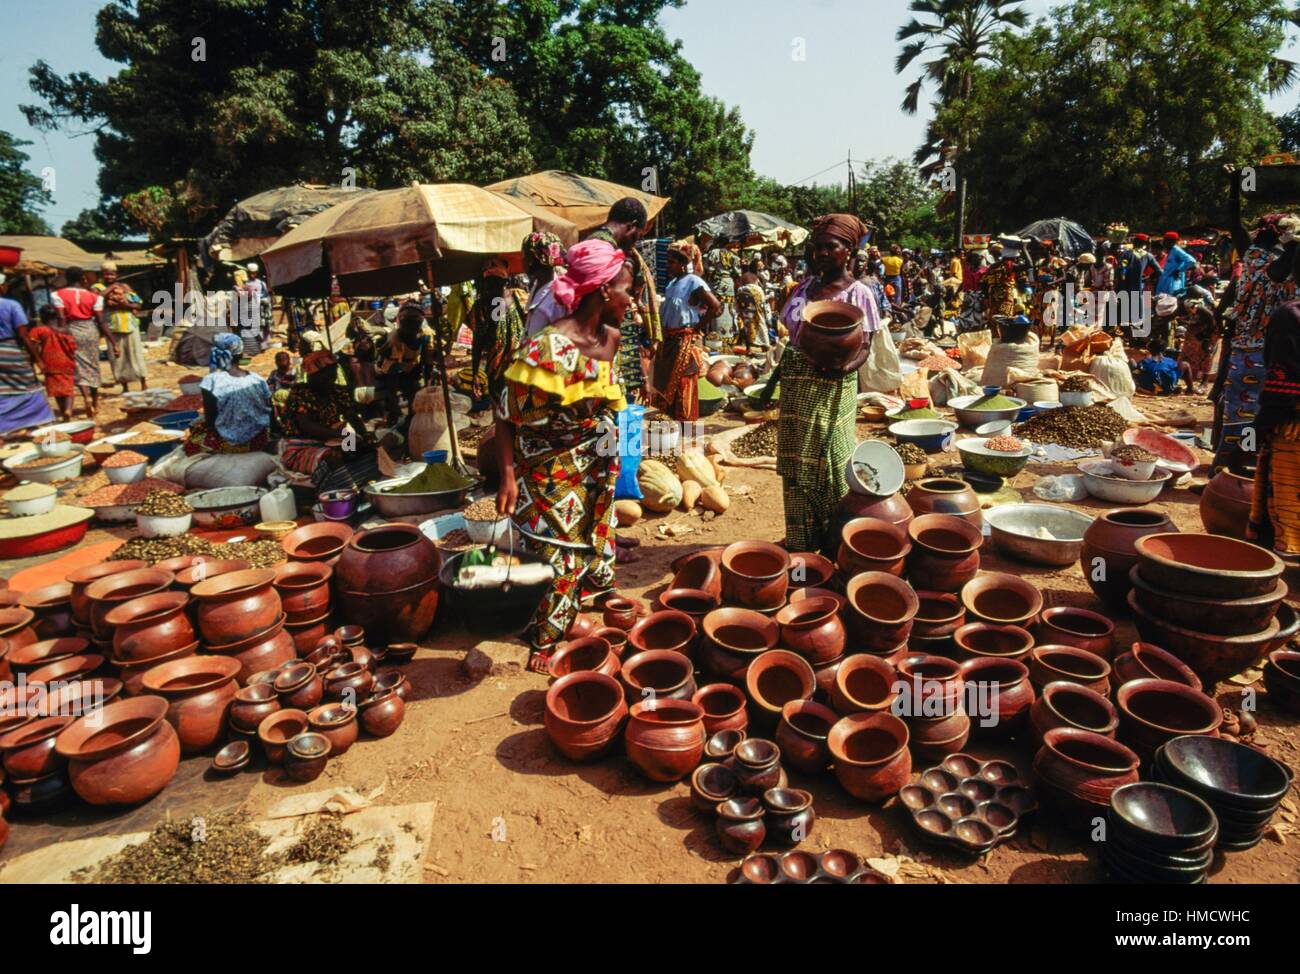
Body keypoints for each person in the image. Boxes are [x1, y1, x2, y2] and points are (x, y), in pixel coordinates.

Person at [493, 238, 632, 672]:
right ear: (604, 289)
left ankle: (576, 609)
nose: (634, 301)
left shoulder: (612, 338)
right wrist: (508, 477)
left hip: (595, 458)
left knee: (594, 536)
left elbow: (609, 404)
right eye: (629, 289)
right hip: (546, 464)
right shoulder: (546, 348)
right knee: (556, 551)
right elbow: (504, 413)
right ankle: (546, 635)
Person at [766, 214, 877, 553]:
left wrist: (843, 369)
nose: (822, 254)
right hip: (797, 383)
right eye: (817, 248)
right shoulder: (803, 289)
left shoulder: (859, 293)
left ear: (849, 251)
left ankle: (833, 542)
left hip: (834, 384)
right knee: (796, 462)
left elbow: (866, 346)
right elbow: (792, 338)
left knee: (830, 459)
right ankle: (801, 540)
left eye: (831, 247)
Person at [589, 198, 660, 400]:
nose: (637, 241)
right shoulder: (607, 253)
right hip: (600, 360)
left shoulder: (592, 245)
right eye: (638, 235)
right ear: (632, 226)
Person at [281, 350, 380, 490]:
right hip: (302, 445)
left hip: (332, 439)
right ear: (313, 376)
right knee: (332, 458)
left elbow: (351, 416)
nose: (331, 380)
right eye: (326, 376)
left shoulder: (336, 392)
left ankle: (363, 481)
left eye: (333, 375)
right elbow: (307, 426)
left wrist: (364, 435)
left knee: (363, 448)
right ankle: (347, 489)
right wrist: (341, 435)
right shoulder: (301, 394)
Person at [654, 242, 721, 423]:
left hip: (685, 340)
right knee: (668, 381)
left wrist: (697, 329)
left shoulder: (694, 282)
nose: (668, 266)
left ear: (683, 263)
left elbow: (715, 307)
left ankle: (687, 424)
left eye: (672, 262)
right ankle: (672, 421)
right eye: (667, 262)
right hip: (670, 340)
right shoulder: (671, 284)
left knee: (685, 380)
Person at [182, 333, 272, 455]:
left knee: (192, 440)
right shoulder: (258, 379)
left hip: (230, 443)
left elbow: (211, 420)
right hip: (259, 439)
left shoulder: (211, 381)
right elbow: (269, 408)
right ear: (240, 355)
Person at [52, 266, 117, 417]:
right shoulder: (95, 297)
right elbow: (101, 321)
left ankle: (86, 397)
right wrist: (113, 342)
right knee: (92, 365)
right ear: (83, 279)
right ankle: (94, 402)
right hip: (90, 330)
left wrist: (62, 336)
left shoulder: (58, 295)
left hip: (71, 329)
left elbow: (61, 318)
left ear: (66, 279)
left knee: (77, 367)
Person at [0, 273, 55, 434]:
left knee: (3, 390)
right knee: (29, 386)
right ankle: (40, 428)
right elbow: (24, 335)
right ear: (2, 287)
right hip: (11, 351)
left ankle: (3, 431)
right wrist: (39, 360)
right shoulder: (12, 305)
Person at [470, 256, 529, 406]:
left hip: (520, 364)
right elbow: (477, 341)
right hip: (495, 370)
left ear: (504, 282)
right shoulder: (480, 306)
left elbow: (531, 326)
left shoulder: (518, 297)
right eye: (488, 283)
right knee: (502, 408)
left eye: (495, 282)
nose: (490, 287)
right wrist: (475, 373)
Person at [374, 303, 434, 424]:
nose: (411, 329)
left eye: (414, 325)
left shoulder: (425, 335)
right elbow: (392, 363)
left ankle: (411, 416)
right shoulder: (394, 338)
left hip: (411, 364)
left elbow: (427, 359)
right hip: (394, 366)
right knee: (392, 391)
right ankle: (394, 414)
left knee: (413, 390)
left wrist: (427, 378)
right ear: (402, 324)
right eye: (408, 325)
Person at [93, 261, 147, 393]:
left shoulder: (125, 286)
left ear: (116, 274)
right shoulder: (97, 287)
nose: (110, 277)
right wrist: (111, 289)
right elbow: (96, 300)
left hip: (130, 324)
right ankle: (124, 385)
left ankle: (143, 382)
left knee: (135, 354)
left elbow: (138, 304)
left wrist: (125, 306)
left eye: (112, 274)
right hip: (112, 326)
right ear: (102, 275)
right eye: (106, 274)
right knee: (118, 357)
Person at [26, 305, 78, 421]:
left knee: (57, 390)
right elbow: (73, 347)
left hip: (50, 363)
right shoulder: (66, 330)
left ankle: (62, 410)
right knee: (68, 388)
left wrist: (36, 360)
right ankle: (68, 409)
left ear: (42, 317)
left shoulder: (39, 330)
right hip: (66, 362)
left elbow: (32, 346)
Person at [522, 231, 567, 338]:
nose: (522, 260)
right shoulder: (537, 286)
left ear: (533, 259)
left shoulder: (556, 296)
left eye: (524, 255)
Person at [1176, 298, 1218, 393]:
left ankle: (1204, 383)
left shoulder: (1206, 313)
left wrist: (1206, 339)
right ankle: (1189, 380)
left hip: (1205, 336)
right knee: (1187, 355)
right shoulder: (1188, 311)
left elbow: (1212, 326)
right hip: (1193, 336)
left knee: (1206, 357)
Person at [734, 259, 770, 349]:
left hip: (744, 297)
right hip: (755, 294)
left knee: (747, 319)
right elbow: (762, 286)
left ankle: (750, 341)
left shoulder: (744, 275)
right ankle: (764, 342)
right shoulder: (756, 275)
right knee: (760, 318)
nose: (761, 267)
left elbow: (739, 287)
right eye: (759, 266)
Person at [1156, 231, 1197, 296]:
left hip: (1172, 281)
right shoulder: (1170, 251)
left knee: (1170, 301)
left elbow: (1192, 261)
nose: (1163, 242)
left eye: (1165, 240)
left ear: (1171, 241)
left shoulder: (1176, 250)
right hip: (1165, 281)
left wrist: (1179, 270)